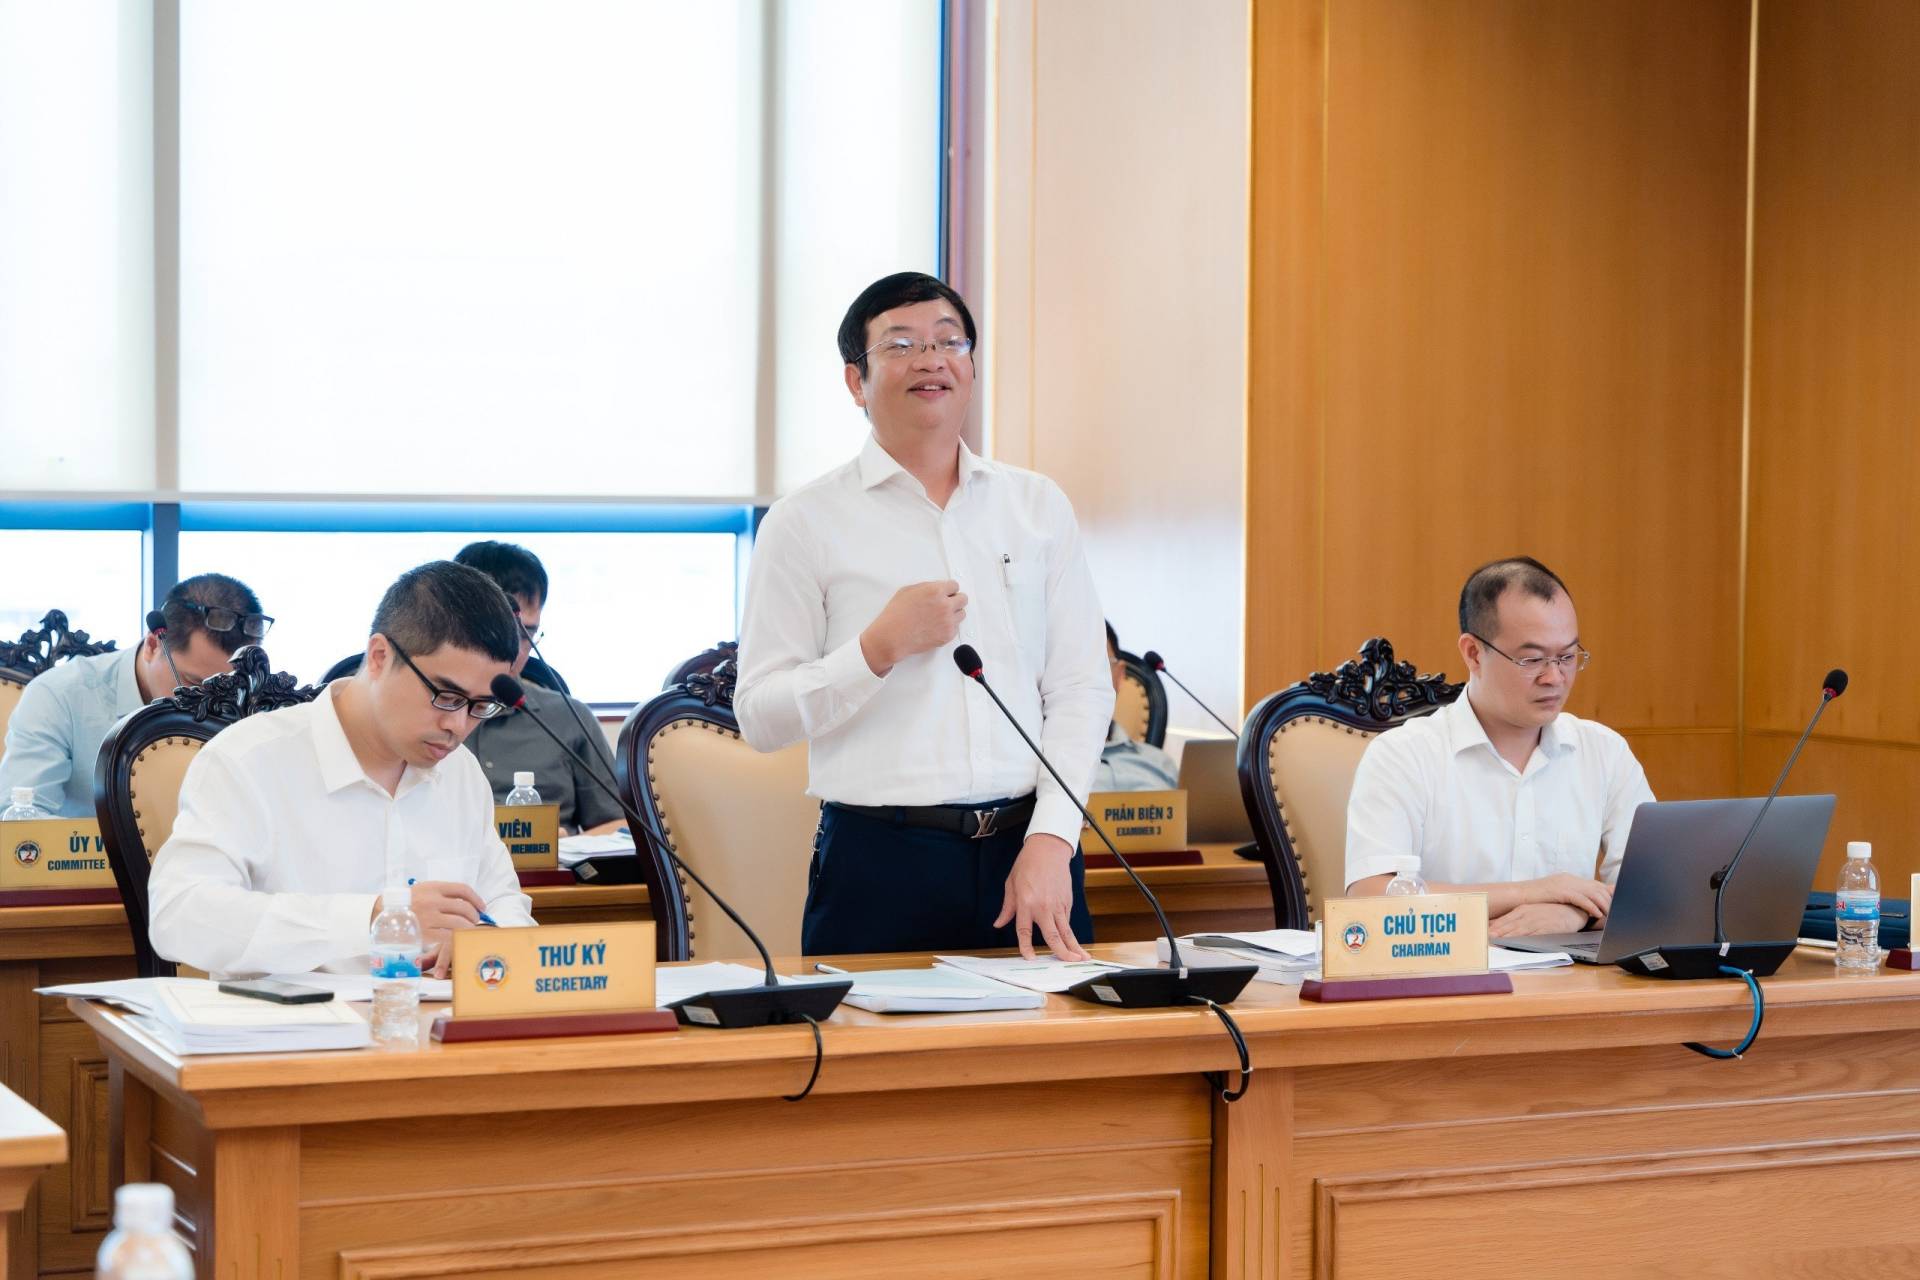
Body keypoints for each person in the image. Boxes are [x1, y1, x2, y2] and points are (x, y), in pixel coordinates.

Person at [736, 271, 1113, 960]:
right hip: (879, 862)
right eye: (902, 345)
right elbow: (760, 717)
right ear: (856, 381)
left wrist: (1054, 838)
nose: (931, 359)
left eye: (949, 341)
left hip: (1032, 856)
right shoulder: (803, 522)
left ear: (969, 366)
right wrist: (875, 649)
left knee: (1056, 1034)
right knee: (867, 1036)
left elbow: (1080, 689)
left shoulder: (1036, 506)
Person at [148, 561, 534, 979]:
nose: (457, 725)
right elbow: (179, 916)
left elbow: (504, 902)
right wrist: (372, 918)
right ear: (380, 657)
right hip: (290, 1018)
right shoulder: (249, 759)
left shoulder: (461, 773)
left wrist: (486, 939)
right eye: (446, 696)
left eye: (480, 706)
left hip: (433, 1012)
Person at [1344, 556, 1655, 937]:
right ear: (1473, 653)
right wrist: (1534, 892)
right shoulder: (1403, 755)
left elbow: (1654, 893)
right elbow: (1371, 898)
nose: (1554, 677)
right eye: (1532, 659)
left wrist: (1577, 915)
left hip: (1571, 972)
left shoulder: (1604, 752)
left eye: (1567, 657)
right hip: (1447, 968)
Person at [0, 574, 268, 818]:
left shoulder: (252, 702)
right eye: (193, 682)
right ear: (152, 645)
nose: (210, 701)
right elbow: (20, 819)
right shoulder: (60, 695)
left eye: (228, 687)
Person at [452, 541, 623, 834]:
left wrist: (560, 844)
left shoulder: (569, 718)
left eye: (527, 634)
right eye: (502, 632)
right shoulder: (421, 715)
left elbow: (619, 825)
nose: (515, 651)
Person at [1093, 622, 1178, 792]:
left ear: (1119, 675)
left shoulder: (1159, 764)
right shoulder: (1042, 765)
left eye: (1100, 665)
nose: (1085, 679)